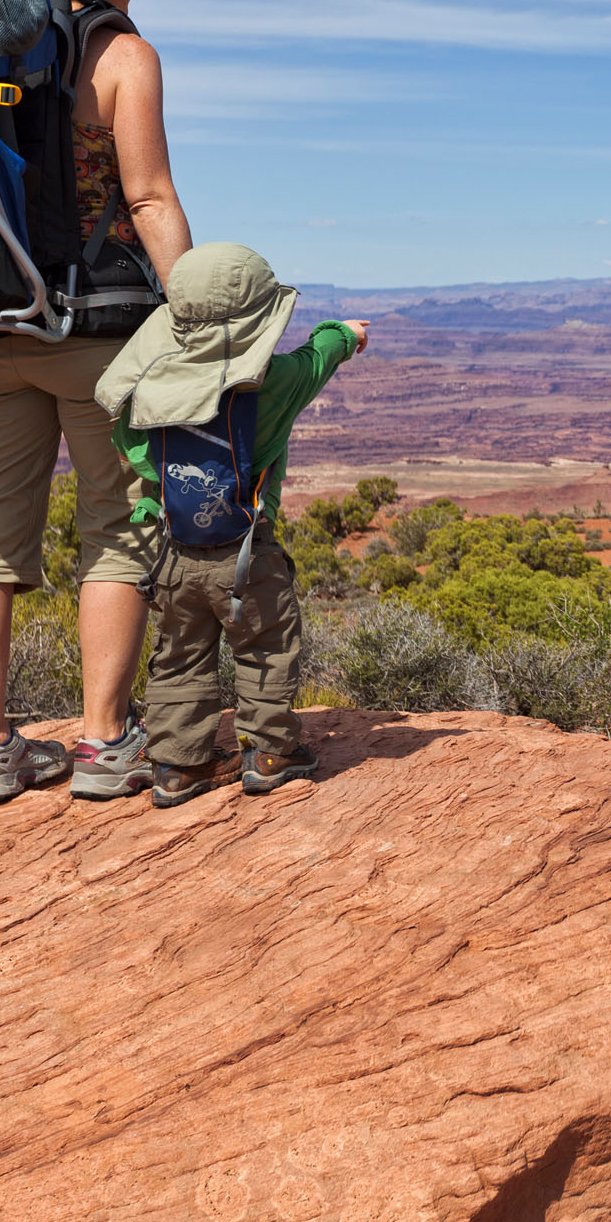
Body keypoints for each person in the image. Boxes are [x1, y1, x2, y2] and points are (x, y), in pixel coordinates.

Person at [0, 0, 192, 808]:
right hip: (98, 335)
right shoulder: (123, 53)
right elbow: (150, 200)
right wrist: (205, 318)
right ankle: (102, 742)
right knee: (118, 532)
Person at [95, 244, 370, 807]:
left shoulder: (151, 384)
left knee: (179, 656)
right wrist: (345, 333)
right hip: (248, 554)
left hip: (174, 553)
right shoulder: (276, 381)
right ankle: (269, 753)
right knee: (266, 647)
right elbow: (319, 355)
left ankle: (177, 765)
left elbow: (133, 444)